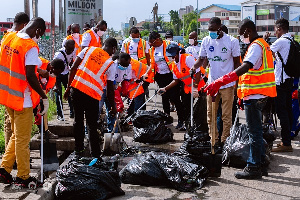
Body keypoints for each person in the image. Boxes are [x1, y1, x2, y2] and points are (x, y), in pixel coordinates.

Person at [201, 19, 276, 179]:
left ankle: (254, 167)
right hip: (258, 95)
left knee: (254, 133)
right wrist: (241, 95)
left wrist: (221, 81)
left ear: (247, 31)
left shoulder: (256, 46)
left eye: (242, 34)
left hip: (255, 96)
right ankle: (261, 163)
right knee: (256, 132)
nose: (241, 37)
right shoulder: (263, 44)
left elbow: (244, 67)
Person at [0, 17, 48, 187]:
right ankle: (23, 176)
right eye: (40, 34)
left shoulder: (9, 37)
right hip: (23, 100)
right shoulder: (30, 46)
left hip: (8, 97)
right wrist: (43, 96)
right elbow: (29, 75)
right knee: (22, 140)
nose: (39, 37)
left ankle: (4, 169)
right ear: (37, 30)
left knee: (16, 136)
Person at [64, 37, 118, 158]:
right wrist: (113, 107)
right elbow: (110, 90)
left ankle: (78, 150)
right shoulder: (110, 63)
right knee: (92, 125)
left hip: (76, 89)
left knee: (78, 121)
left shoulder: (88, 50)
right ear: (113, 49)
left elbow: (73, 68)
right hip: (91, 96)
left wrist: (68, 88)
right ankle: (95, 155)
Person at [192, 17, 240, 145]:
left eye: (213, 30)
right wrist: (194, 67)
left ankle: (225, 141)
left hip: (227, 85)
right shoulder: (207, 41)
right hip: (212, 85)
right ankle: (214, 140)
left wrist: (237, 84)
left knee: (226, 115)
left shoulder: (232, 42)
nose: (210, 33)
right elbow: (201, 59)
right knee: (210, 115)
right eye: (209, 30)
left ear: (220, 28)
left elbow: (237, 64)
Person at [264, 18, 293, 152]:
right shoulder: (291, 40)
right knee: (287, 110)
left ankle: (286, 143)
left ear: (280, 29)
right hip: (289, 80)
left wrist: (264, 39)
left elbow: (265, 51)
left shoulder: (281, 41)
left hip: (280, 82)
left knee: (282, 112)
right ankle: (286, 140)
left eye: (275, 29)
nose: (275, 32)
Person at [1, 12, 30, 149]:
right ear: (25, 24)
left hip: (5, 87)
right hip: (15, 89)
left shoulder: (6, 37)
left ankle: (9, 155)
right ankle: (12, 158)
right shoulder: (17, 39)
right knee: (16, 129)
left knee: (9, 124)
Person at [148, 31, 185, 129]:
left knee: (175, 98)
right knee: (164, 98)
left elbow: (181, 50)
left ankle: (181, 120)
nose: (151, 44)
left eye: (152, 42)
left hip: (171, 75)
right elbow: (152, 64)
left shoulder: (168, 44)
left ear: (157, 39)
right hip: (160, 76)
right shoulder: (152, 49)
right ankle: (167, 119)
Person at [158, 44, 199, 130]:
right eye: (169, 56)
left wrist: (195, 87)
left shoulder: (187, 58)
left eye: (173, 55)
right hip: (188, 87)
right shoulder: (174, 65)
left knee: (200, 108)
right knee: (187, 107)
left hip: (199, 86)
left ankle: (198, 127)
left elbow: (198, 72)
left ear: (178, 53)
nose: (171, 57)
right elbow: (176, 80)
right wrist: (165, 89)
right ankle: (188, 126)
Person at [35, 58, 65, 139]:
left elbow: (46, 87)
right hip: (26, 93)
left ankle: (44, 132)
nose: (56, 75)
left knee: (41, 111)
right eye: (56, 72)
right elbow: (24, 66)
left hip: (38, 97)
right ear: (52, 67)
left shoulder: (52, 77)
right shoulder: (40, 62)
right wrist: (39, 70)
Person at [53, 39, 75, 120]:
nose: (70, 51)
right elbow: (53, 69)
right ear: (65, 47)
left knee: (69, 92)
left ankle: (72, 112)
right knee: (58, 93)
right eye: (69, 50)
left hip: (66, 73)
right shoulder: (59, 55)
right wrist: (55, 84)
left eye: (72, 49)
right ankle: (60, 114)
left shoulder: (72, 51)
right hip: (58, 74)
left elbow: (70, 62)